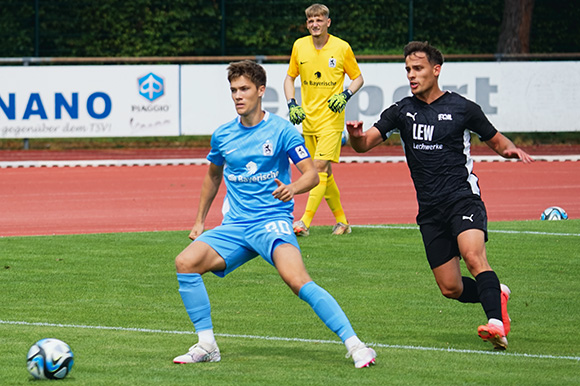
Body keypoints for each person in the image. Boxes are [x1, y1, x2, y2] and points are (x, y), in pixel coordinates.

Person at [173, 60, 376, 368]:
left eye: (244, 89)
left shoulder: (281, 130)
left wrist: (293, 188)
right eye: (233, 90)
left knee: (297, 280)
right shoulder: (223, 135)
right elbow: (213, 176)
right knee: (185, 263)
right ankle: (207, 345)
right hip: (236, 226)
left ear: (261, 91)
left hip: (271, 222)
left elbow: (311, 174)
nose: (238, 96)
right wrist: (200, 220)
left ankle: (357, 345)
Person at [346, 41, 534, 350]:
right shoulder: (401, 111)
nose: (411, 75)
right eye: (407, 69)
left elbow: (498, 141)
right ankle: (495, 293)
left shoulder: (463, 108)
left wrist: (510, 150)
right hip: (430, 210)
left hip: (463, 197)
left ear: (436, 70)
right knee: (451, 288)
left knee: (474, 257)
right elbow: (365, 145)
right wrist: (355, 136)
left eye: (417, 68)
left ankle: (496, 324)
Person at [284, 3, 364, 236]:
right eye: (310, 21)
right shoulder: (299, 46)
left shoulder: (342, 47)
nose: (315, 24)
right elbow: (289, 79)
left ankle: (303, 222)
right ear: (307, 24)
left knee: (317, 168)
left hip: (331, 119)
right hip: (308, 119)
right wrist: (292, 104)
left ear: (328, 22)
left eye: (319, 20)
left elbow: (358, 78)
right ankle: (342, 222)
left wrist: (345, 95)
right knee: (323, 172)